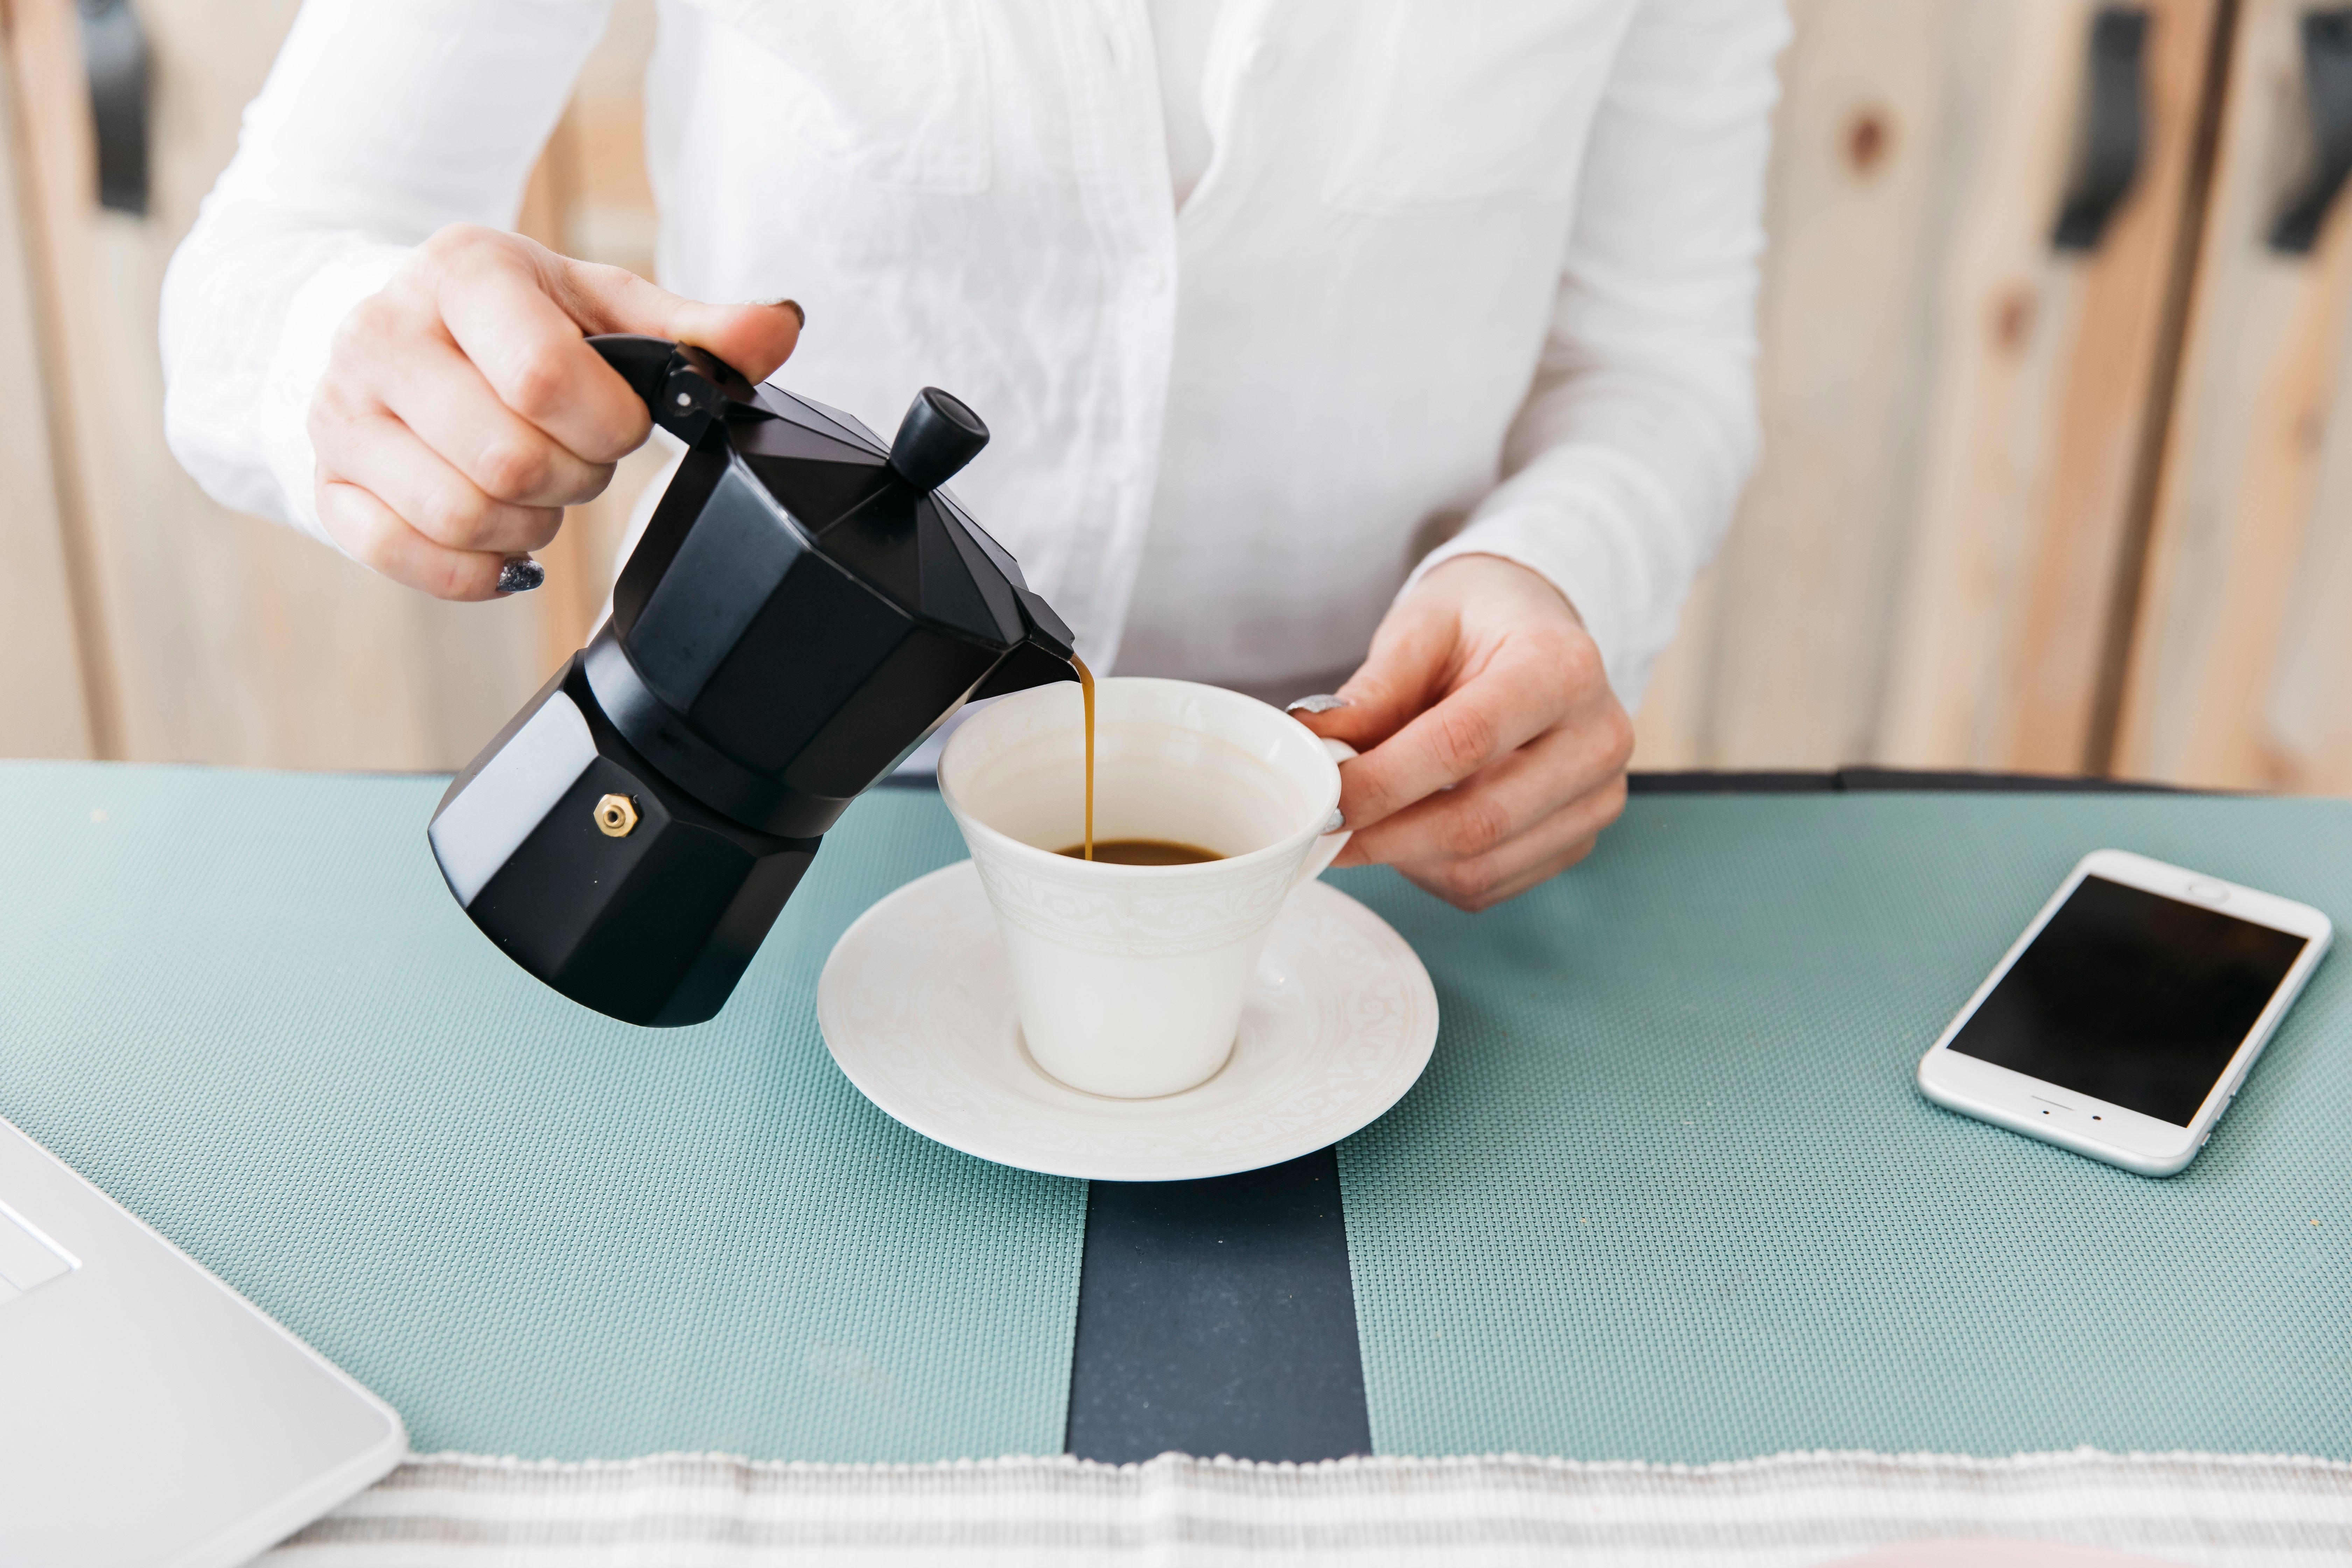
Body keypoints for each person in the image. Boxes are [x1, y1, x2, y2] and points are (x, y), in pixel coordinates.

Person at [163, 0, 1787, 912]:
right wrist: (354, 361)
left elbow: (1654, 360)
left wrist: (1556, 569)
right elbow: (268, 265)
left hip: (1369, 858)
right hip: (772, 853)